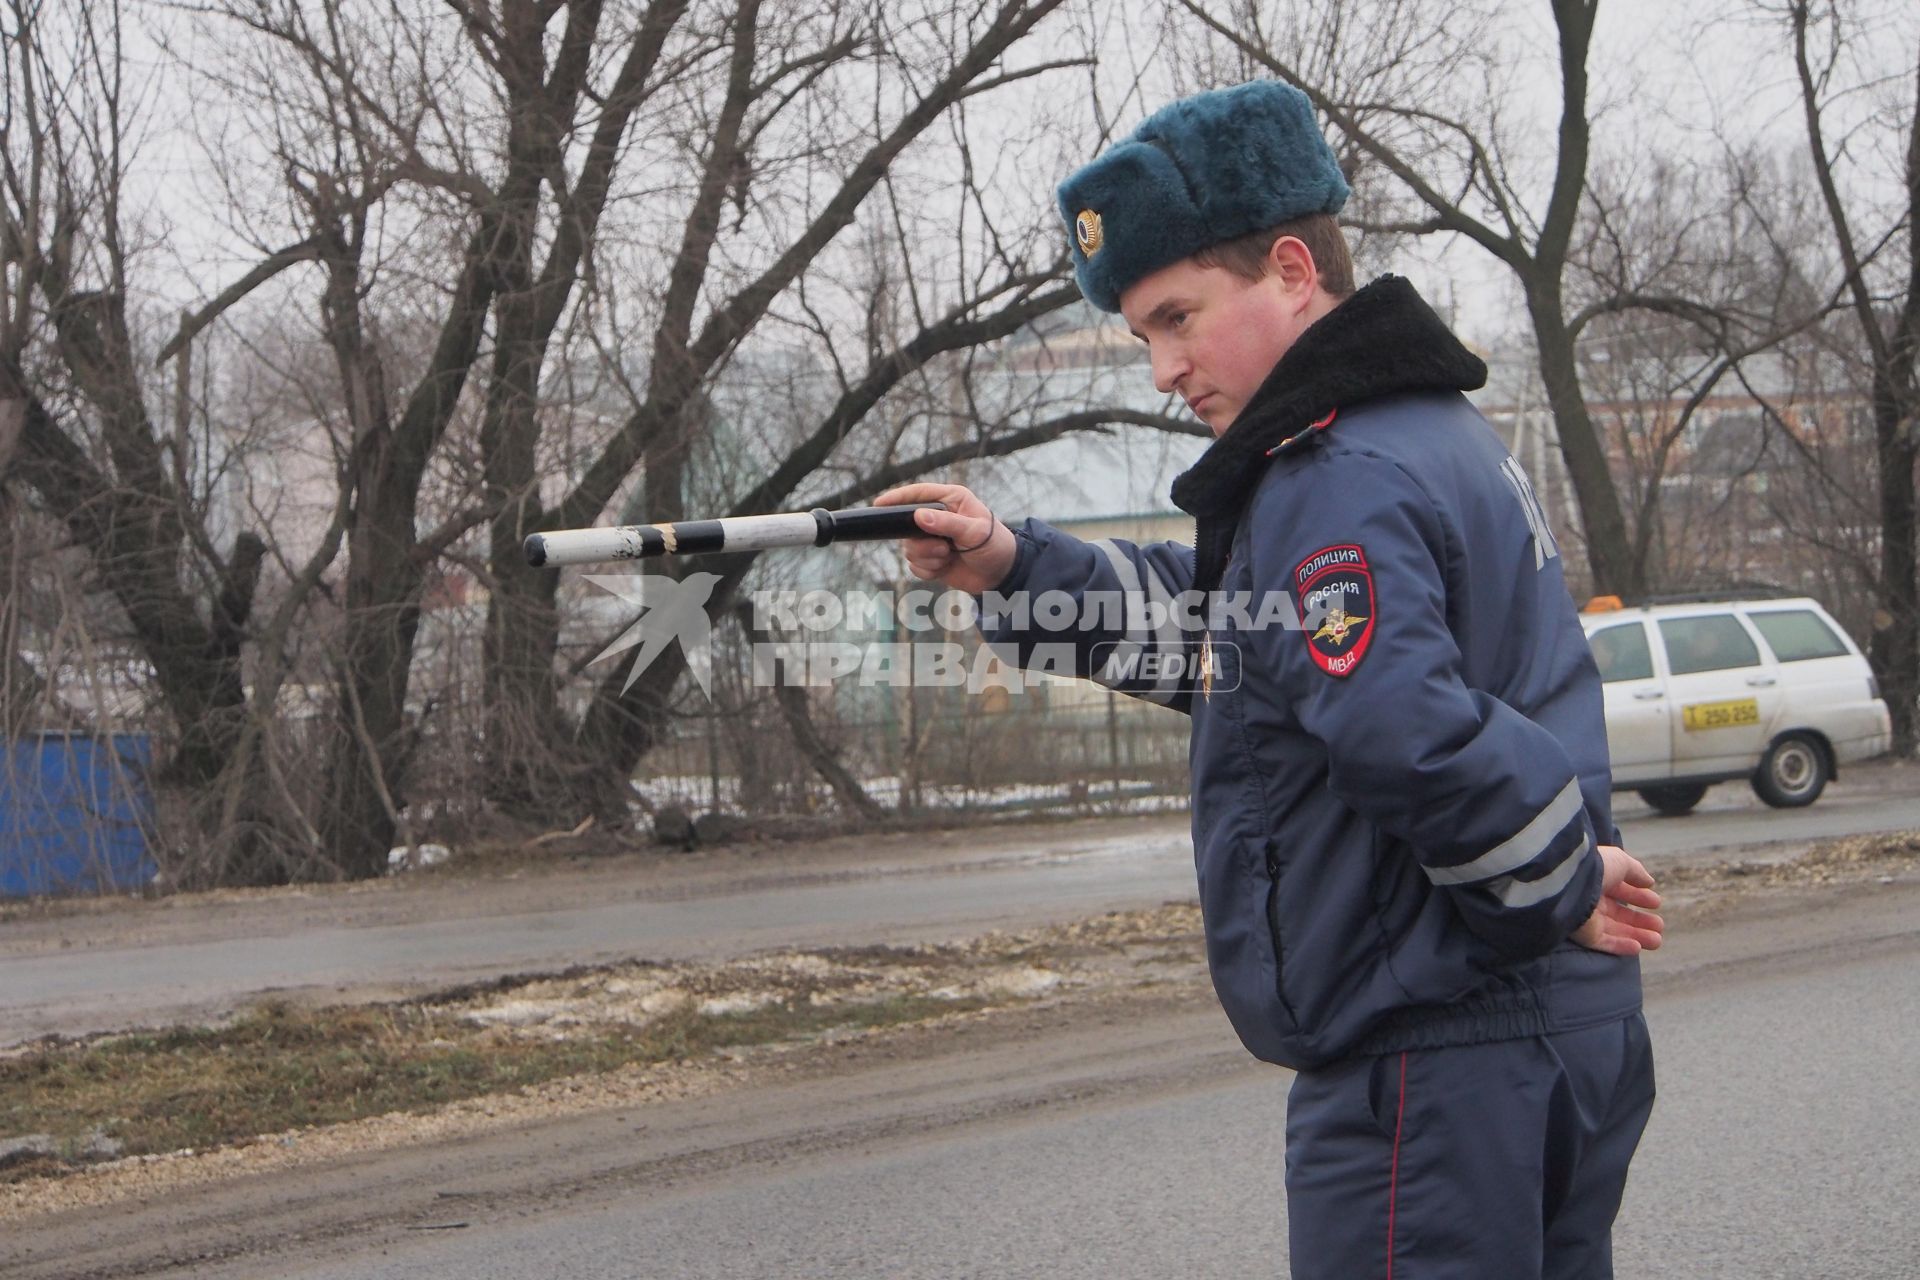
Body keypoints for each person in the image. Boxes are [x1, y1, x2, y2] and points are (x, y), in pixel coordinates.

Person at [877, 80, 1664, 1279]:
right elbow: (1253, 647)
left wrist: (1555, 877)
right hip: (1547, 1030)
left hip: (1436, 1061)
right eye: (1144, 334)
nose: (1161, 368)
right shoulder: (1427, 433)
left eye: (1178, 317)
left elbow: (1405, 726)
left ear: (1293, 268)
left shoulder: (1330, 473)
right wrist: (1011, 566)